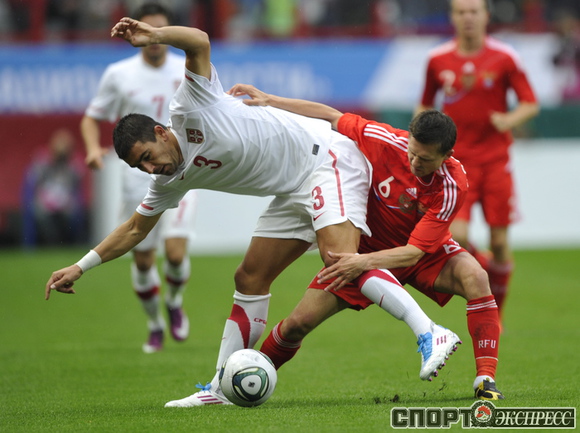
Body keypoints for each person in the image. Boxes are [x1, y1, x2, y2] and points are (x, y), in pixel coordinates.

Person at [45, 17, 460, 408]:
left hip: (328, 159)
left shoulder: (190, 106)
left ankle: (430, 333)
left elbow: (199, 41)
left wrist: (154, 35)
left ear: (160, 132)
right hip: (292, 189)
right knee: (249, 277)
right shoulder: (169, 179)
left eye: (148, 157)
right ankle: (219, 388)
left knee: (340, 260)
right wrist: (80, 267)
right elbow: (135, 229)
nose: (152, 169)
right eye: (142, 168)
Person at [226, 83, 503, 400]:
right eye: (412, 152)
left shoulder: (453, 185)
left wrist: (361, 262)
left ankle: (485, 380)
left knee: (476, 277)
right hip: (367, 251)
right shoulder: (384, 140)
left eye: (425, 159)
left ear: (447, 156)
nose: (414, 162)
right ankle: (246, 379)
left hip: (418, 254)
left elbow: (414, 252)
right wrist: (270, 99)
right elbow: (331, 116)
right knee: (296, 324)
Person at [80, 3, 197, 353]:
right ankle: (155, 324)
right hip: (139, 178)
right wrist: (92, 149)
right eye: (148, 31)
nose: (155, 40)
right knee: (143, 259)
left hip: (180, 169)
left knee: (174, 253)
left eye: (160, 31)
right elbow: (91, 117)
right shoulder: (119, 74)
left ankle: (174, 301)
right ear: (137, 32)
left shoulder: (185, 67)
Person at [415, 0, 539, 319]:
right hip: (457, 163)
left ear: (486, 16)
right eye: (461, 12)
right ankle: (483, 272)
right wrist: (419, 136)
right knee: (458, 236)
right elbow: (425, 103)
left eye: (473, 11)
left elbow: (530, 102)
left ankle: (497, 314)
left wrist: (509, 120)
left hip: (496, 161)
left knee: (500, 243)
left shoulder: (505, 57)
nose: (468, 17)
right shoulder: (437, 59)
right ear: (452, 17)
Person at [22, 128, 87, 247]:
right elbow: (32, 183)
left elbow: (77, 186)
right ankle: (47, 244)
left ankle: (71, 245)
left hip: (65, 203)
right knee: (39, 214)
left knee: (74, 214)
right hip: (44, 202)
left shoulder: (73, 165)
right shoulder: (42, 162)